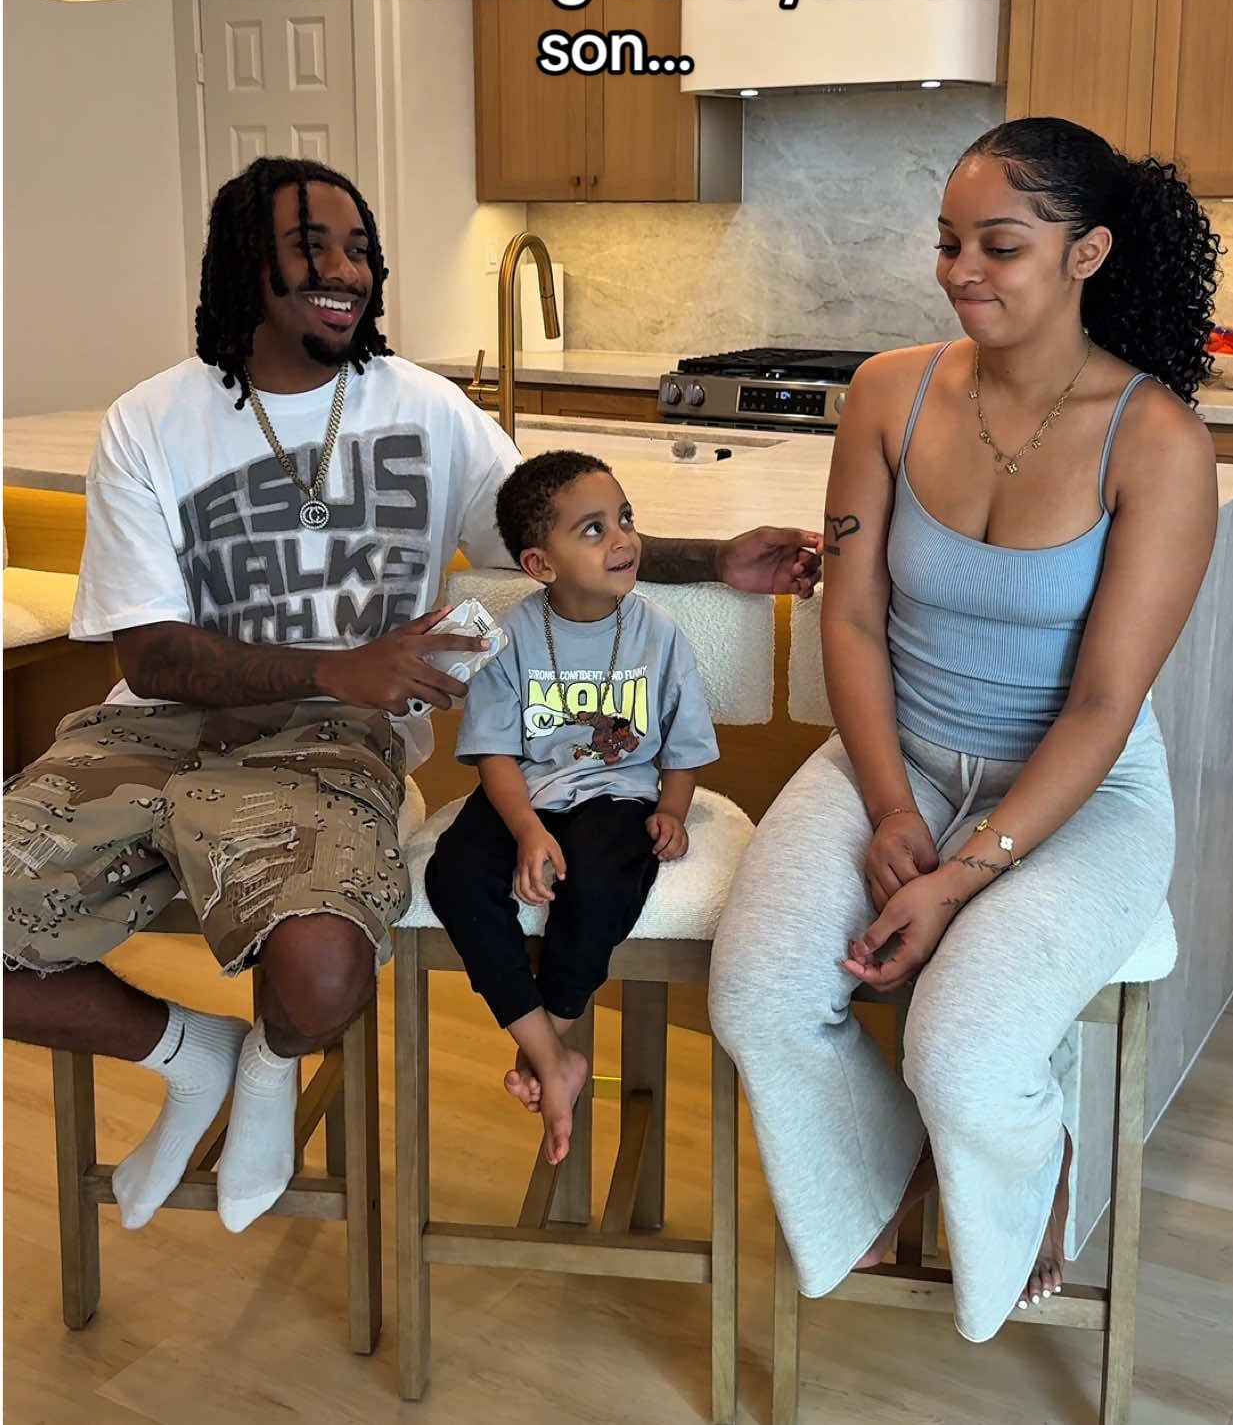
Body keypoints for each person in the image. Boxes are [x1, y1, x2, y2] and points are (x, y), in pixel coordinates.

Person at [2, 155, 821, 1239]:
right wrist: (331, 664)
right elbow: (152, 657)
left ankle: (268, 1060)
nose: (347, 272)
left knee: (323, 973)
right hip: (145, 732)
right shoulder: (150, 421)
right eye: (313, 248)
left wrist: (715, 559)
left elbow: (548, 538)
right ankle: (193, 1053)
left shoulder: (428, 411)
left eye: (360, 251)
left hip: (331, 746)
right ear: (246, 262)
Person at [709, 117, 1220, 1343]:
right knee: (761, 999)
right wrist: (892, 807)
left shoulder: (1157, 440)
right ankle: (892, 1160)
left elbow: (1103, 705)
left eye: (999, 245)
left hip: (1082, 794)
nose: (959, 271)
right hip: (896, 757)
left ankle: (1033, 1155)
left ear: (1087, 252)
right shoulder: (890, 391)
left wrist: (961, 876)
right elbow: (851, 618)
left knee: (962, 1049)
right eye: (948, 243)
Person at [425, 451, 719, 1164]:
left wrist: (673, 809)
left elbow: (683, 745)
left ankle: (545, 1044)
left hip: (619, 794)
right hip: (522, 795)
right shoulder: (512, 639)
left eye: (625, 518)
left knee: (603, 881)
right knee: (452, 876)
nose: (622, 539)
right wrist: (526, 830)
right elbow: (495, 755)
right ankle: (550, 1053)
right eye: (593, 529)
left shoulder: (659, 633)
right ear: (540, 564)